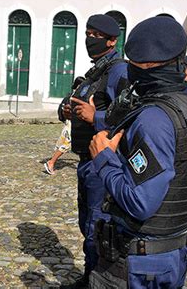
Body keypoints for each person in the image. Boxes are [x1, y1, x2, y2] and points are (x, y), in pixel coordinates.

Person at [86, 16, 187, 288]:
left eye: (135, 65)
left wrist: (104, 159)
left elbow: (141, 202)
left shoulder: (153, 119)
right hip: (175, 253)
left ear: (143, 66)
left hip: (136, 259)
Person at [59, 14, 129, 287]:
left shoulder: (118, 70)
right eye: (87, 33)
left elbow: (129, 114)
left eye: (96, 35)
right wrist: (64, 109)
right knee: (87, 223)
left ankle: (96, 280)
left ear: (112, 41)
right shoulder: (95, 71)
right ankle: (90, 276)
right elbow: (78, 101)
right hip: (86, 161)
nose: (89, 39)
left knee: (97, 228)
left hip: (103, 162)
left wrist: (96, 118)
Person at [45, 76, 85, 175]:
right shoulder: (74, 97)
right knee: (67, 144)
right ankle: (51, 162)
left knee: (71, 143)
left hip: (71, 123)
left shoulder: (73, 96)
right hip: (72, 124)